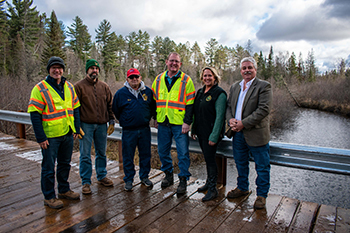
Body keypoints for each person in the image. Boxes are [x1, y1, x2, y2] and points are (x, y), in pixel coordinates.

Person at [28, 56, 81, 209]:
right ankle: (49, 196)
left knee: (65, 164)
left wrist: (76, 128)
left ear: (63, 69)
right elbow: (34, 114)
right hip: (50, 136)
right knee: (48, 167)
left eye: (59, 67)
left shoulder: (69, 87)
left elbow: (75, 108)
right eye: (54, 68)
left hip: (67, 133)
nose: (57, 70)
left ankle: (64, 190)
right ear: (49, 70)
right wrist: (40, 137)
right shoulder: (40, 88)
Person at [226, 57, 272, 209]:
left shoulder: (264, 86)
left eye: (250, 67)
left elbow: (263, 109)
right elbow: (228, 107)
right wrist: (231, 120)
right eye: (244, 68)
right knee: (240, 163)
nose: (247, 70)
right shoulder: (235, 87)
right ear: (241, 70)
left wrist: (243, 123)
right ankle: (242, 188)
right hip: (238, 134)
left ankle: (261, 195)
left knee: (262, 166)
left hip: (256, 134)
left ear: (255, 69)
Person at [152, 52, 195, 194]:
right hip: (163, 122)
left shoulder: (186, 80)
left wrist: (187, 122)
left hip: (179, 123)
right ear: (166, 62)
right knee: (162, 151)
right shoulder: (158, 79)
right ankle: (168, 175)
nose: (174, 63)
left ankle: (183, 180)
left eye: (176, 61)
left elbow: (190, 104)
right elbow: (153, 101)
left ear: (180, 64)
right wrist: (155, 118)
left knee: (182, 153)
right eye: (171, 61)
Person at [74, 59, 115, 195]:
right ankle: (86, 181)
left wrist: (112, 121)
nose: (94, 71)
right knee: (85, 154)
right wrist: (77, 125)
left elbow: (110, 105)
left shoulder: (104, 86)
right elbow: (75, 108)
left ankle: (102, 176)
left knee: (101, 152)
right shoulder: (79, 87)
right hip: (86, 125)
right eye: (92, 68)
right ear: (87, 70)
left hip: (102, 125)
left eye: (96, 69)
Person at [112, 68, 156, 191]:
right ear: (127, 79)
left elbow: (153, 108)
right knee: (128, 156)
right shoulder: (121, 94)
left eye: (136, 76)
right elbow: (116, 110)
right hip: (128, 131)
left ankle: (144, 177)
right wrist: (126, 121)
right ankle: (129, 179)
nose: (134, 79)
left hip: (144, 129)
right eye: (131, 77)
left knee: (145, 155)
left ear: (140, 77)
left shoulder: (147, 92)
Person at [191, 67, 227, 202]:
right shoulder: (200, 92)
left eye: (210, 76)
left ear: (215, 77)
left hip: (211, 133)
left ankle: (213, 189)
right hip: (201, 131)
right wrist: (194, 128)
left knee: (211, 160)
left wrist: (214, 135)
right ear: (202, 77)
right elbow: (196, 112)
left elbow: (220, 117)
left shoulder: (219, 94)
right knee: (207, 158)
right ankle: (208, 183)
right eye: (205, 76)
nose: (207, 78)